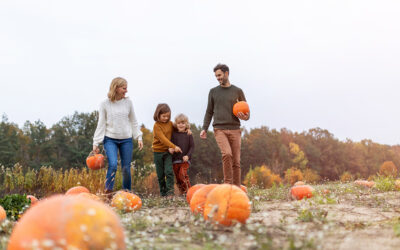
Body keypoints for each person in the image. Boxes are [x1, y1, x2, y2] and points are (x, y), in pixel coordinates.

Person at [200, 64, 250, 187]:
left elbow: (247, 112)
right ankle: (228, 185)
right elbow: (209, 111)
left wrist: (245, 117)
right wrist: (204, 128)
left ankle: (237, 188)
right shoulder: (213, 92)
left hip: (235, 129)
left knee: (236, 161)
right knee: (227, 154)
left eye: (219, 75)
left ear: (226, 73)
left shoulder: (237, 91)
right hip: (219, 129)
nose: (218, 78)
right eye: (216, 76)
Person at [92, 77, 143, 195]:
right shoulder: (104, 104)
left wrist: (139, 137)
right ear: (116, 88)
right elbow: (101, 123)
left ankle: (127, 194)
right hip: (110, 139)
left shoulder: (128, 102)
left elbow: (133, 121)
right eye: (124, 88)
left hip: (126, 140)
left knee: (126, 168)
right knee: (113, 165)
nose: (126, 91)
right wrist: (96, 142)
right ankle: (108, 193)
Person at [152, 103, 182, 197]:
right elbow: (162, 139)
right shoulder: (156, 126)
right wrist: (174, 146)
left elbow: (179, 129)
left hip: (168, 152)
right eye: (163, 116)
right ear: (158, 114)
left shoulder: (170, 124)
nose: (165, 118)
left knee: (169, 172)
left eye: (167, 116)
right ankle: (163, 194)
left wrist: (187, 130)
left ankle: (170, 194)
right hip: (158, 153)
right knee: (160, 175)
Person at [170, 113, 194, 195]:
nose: (181, 125)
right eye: (179, 123)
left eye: (183, 123)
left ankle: (189, 192)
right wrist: (171, 149)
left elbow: (192, 147)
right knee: (178, 179)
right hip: (175, 160)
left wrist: (188, 155)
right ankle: (182, 193)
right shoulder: (173, 134)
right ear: (176, 124)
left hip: (185, 160)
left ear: (186, 124)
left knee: (182, 175)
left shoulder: (188, 134)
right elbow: (171, 144)